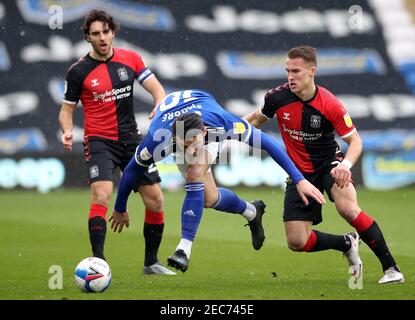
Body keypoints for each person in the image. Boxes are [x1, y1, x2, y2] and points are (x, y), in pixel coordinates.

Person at [111, 89, 326, 272]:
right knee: (209, 198)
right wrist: (120, 207)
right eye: (184, 144)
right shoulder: (158, 139)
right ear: (175, 138)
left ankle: (183, 250)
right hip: (171, 119)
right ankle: (252, 211)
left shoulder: (223, 124)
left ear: (202, 133)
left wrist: (299, 179)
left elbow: (268, 143)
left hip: (205, 109)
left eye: (193, 142)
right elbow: (131, 172)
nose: (190, 149)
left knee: (195, 173)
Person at [244, 45, 404, 284]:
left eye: (296, 71)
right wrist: (222, 130)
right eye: (287, 70)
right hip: (298, 174)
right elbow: (253, 121)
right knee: (297, 242)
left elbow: (355, 141)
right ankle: (346, 243)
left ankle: (391, 269)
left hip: (330, 164)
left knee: (348, 209)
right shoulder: (276, 97)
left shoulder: (330, 104)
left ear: (312, 71)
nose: (290, 76)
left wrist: (345, 166)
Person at [58, 10, 175, 275]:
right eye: (95, 33)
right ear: (87, 37)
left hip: (132, 140)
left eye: (105, 32)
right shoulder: (78, 71)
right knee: (101, 194)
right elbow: (66, 110)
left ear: (113, 32)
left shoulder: (130, 59)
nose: (102, 38)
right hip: (99, 141)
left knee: (155, 199)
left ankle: (150, 263)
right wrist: (67, 130)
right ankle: (98, 263)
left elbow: (157, 89)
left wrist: (159, 103)